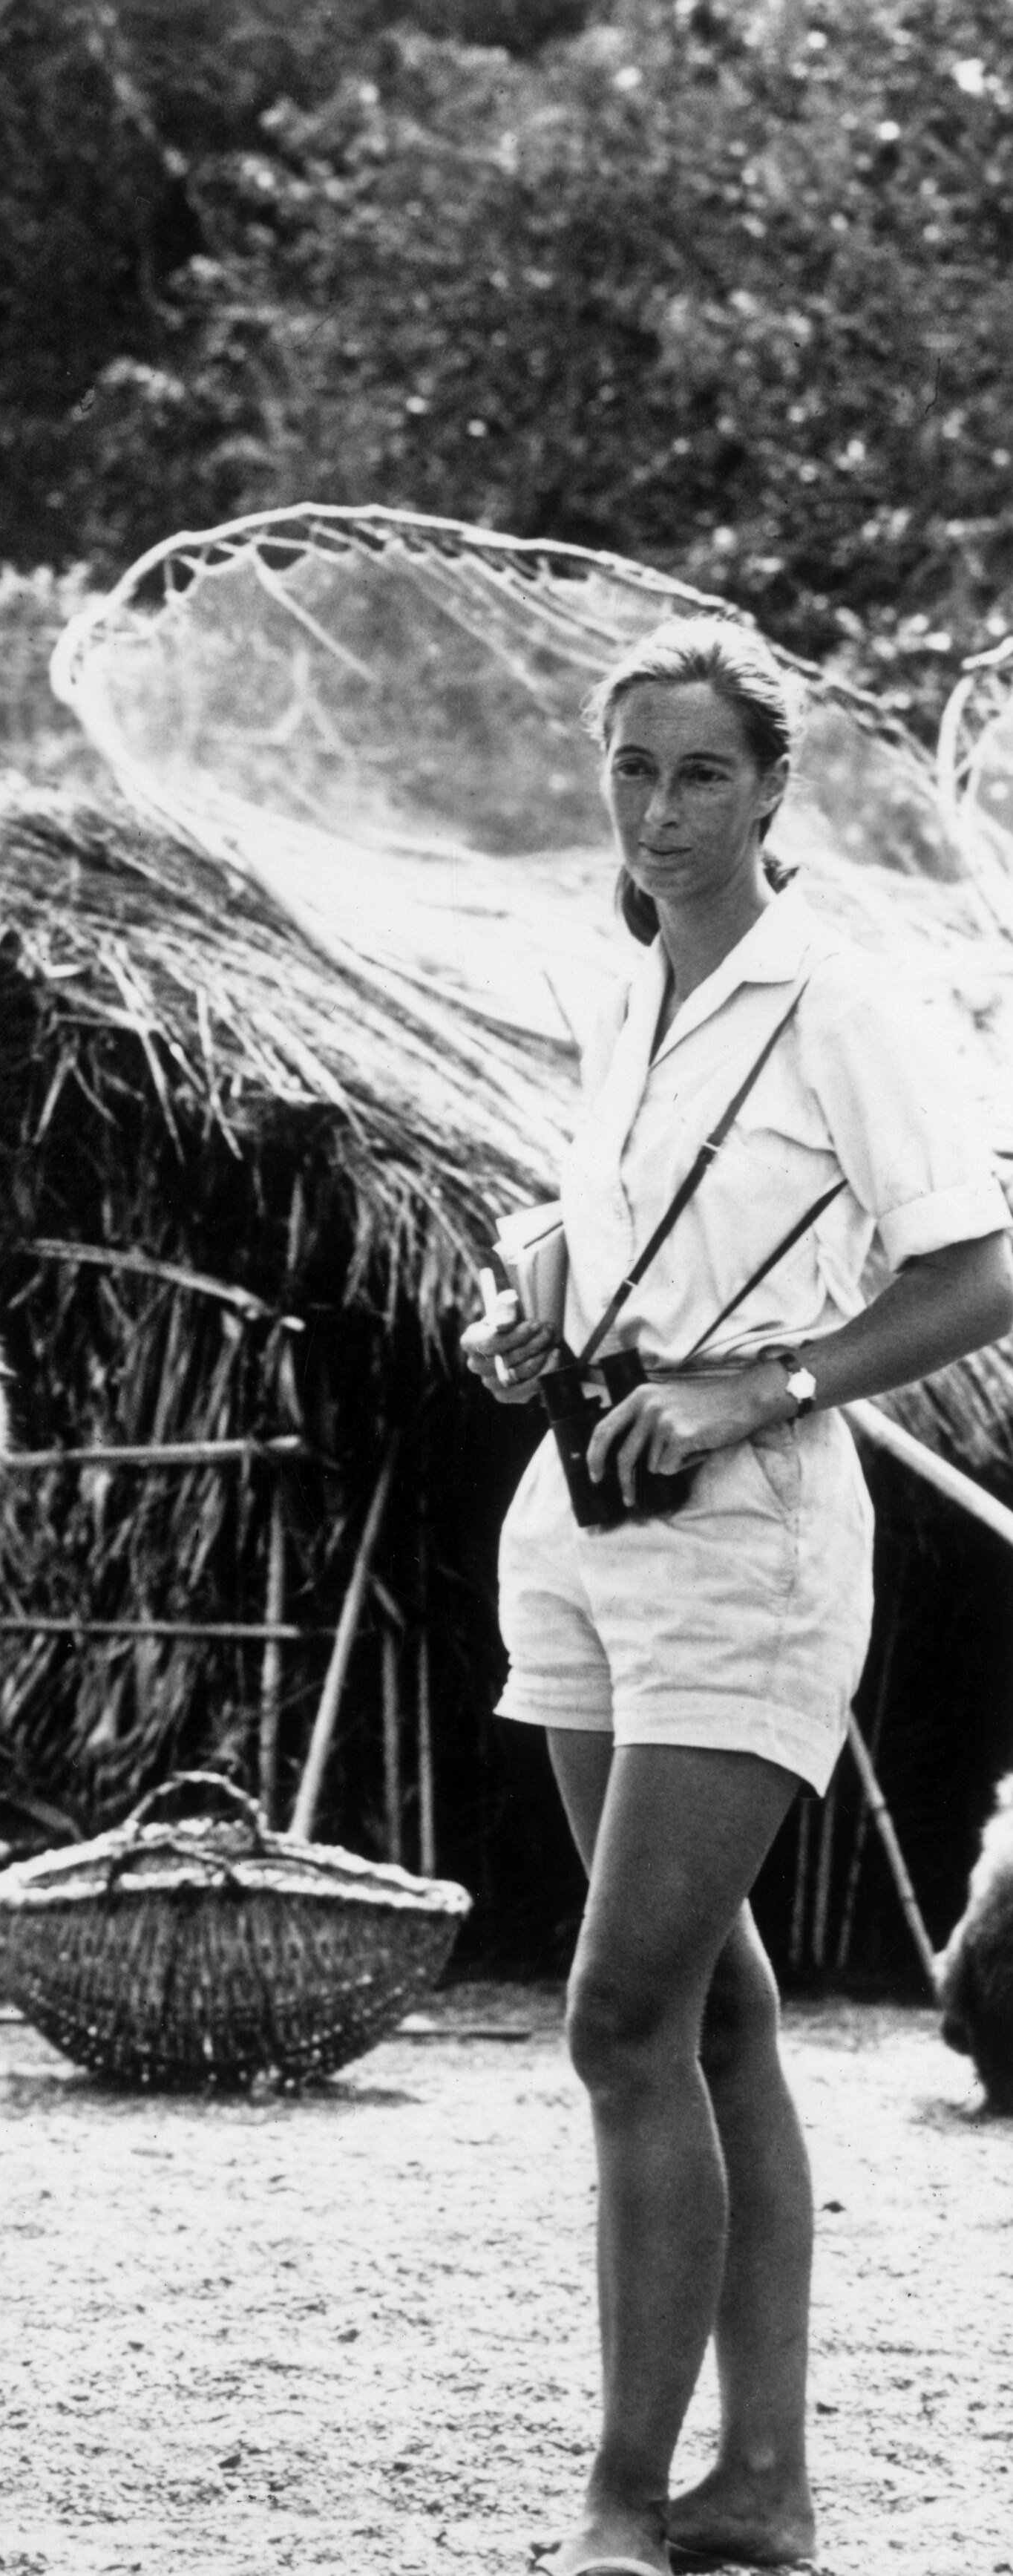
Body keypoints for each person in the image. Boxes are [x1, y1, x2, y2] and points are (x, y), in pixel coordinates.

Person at [461, 615, 1013, 2576]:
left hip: (751, 1530)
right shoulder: (625, 1000)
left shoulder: (838, 1002)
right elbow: (608, 1237)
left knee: (620, 2015)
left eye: (701, 774)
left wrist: (757, 1383)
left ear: (775, 787)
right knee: (707, 2013)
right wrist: (528, 1302)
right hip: (582, 1519)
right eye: (632, 772)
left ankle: (622, 2507)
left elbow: (972, 1272)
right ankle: (758, 2493)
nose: (662, 813)